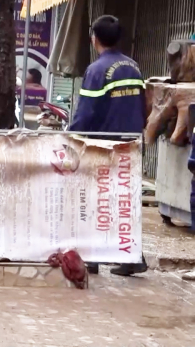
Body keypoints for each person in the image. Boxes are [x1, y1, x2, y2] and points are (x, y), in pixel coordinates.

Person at [69, 15, 146, 277]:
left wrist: (70, 138)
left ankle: (92, 257)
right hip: (131, 144)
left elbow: (86, 114)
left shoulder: (97, 70)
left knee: (95, 200)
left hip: (103, 145)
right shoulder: (134, 67)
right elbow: (143, 106)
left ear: (94, 38)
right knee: (125, 200)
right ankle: (133, 257)